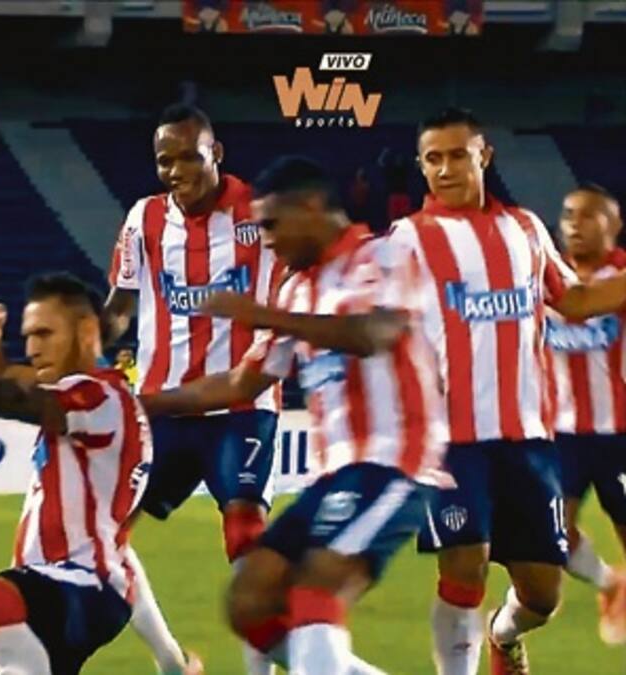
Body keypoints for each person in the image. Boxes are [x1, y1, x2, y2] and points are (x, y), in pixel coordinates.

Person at [143, 156, 443, 674]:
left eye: (272, 225)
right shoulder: (295, 289)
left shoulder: (384, 256)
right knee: (250, 600)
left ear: (311, 207)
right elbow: (240, 384)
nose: (266, 240)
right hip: (331, 476)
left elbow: (371, 334)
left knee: (316, 589)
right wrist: (144, 403)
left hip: (395, 463)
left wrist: (264, 315)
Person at [388, 108, 626, 675]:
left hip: (528, 439)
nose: (445, 169)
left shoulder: (525, 230)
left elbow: (574, 300)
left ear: (484, 155)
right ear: (422, 166)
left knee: (541, 594)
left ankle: (504, 634)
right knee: (463, 568)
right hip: (450, 441)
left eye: (457, 155)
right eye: (433, 159)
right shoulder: (408, 239)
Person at [0, 273, 203, 675]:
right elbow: (3, 384)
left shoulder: (100, 396)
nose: (32, 349)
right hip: (73, 588)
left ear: (86, 331)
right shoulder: (89, 397)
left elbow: (21, 400)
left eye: (44, 334)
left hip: (80, 587)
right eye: (28, 336)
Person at [103, 103, 284, 675]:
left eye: (189, 157)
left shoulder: (261, 213)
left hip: (241, 405)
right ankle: (172, 662)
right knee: (103, 536)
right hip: (161, 410)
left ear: (216, 153)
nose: (176, 171)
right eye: (165, 161)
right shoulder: (144, 218)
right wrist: (85, 352)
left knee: (245, 534)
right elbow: (120, 305)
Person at [544, 183, 626, 644]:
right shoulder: (547, 275)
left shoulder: (620, 278)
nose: (575, 224)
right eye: (568, 214)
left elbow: (580, 304)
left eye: (588, 215)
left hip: (620, 431)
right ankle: (609, 582)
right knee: (550, 530)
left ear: (614, 225)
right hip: (563, 433)